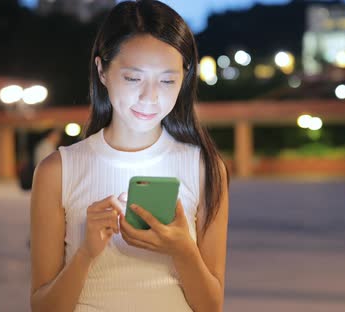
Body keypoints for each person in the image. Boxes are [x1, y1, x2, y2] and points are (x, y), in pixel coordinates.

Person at [29, 1, 229, 311]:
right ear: (102, 71)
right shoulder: (58, 171)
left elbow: (211, 306)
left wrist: (183, 250)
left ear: (184, 78)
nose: (150, 97)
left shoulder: (203, 168)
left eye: (166, 80)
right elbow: (44, 307)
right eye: (133, 78)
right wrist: (86, 253)